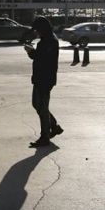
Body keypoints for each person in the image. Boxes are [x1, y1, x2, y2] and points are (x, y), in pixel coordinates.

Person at [24, 16, 63, 148]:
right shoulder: (47, 40)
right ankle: (54, 126)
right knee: (38, 104)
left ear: (42, 29)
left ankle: (45, 136)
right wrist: (32, 52)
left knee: (41, 107)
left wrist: (31, 52)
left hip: (44, 79)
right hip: (42, 78)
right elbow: (40, 58)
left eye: (37, 30)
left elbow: (42, 59)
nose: (36, 32)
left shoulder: (49, 41)